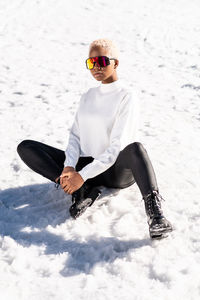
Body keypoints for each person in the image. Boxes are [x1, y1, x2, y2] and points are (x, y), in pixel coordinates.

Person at [17, 38, 173, 239]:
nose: (96, 67)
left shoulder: (127, 96)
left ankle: (156, 216)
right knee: (27, 147)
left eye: (101, 61)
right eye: (91, 63)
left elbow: (117, 146)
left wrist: (83, 174)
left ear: (115, 63)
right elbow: (75, 136)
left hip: (115, 170)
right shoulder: (88, 96)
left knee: (135, 148)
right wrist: (69, 167)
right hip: (88, 167)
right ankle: (82, 192)